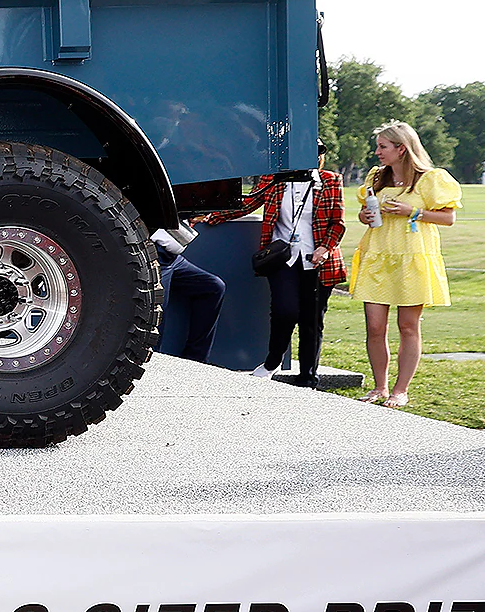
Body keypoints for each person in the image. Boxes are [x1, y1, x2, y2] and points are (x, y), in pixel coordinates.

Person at [347, 120, 462, 408]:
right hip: (378, 257)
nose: (377, 152)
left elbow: (448, 218)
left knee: (408, 326)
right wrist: (365, 217)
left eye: (382, 147)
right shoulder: (376, 178)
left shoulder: (431, 179)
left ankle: (401, 390)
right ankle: (379, 387)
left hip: (412, 259)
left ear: (401, 149)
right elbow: (365, 212)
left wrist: (413, 211)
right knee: (374, 328)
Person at [196, 167, 345, 386]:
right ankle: (272, 362)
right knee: (285, 311)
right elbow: (247, 203)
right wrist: (209, 216)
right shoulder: (274, 179)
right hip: (283, 258)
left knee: (312, 320)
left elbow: (337, 222)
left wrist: (325, 248)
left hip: (317, 260)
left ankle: (308, 377)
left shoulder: (330, 180)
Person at [150, 224, 227, 364]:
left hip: (173, 257)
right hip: (155, 254)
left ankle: (196, 360)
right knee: (158, 311)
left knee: (214, 287)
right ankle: (152, 364)